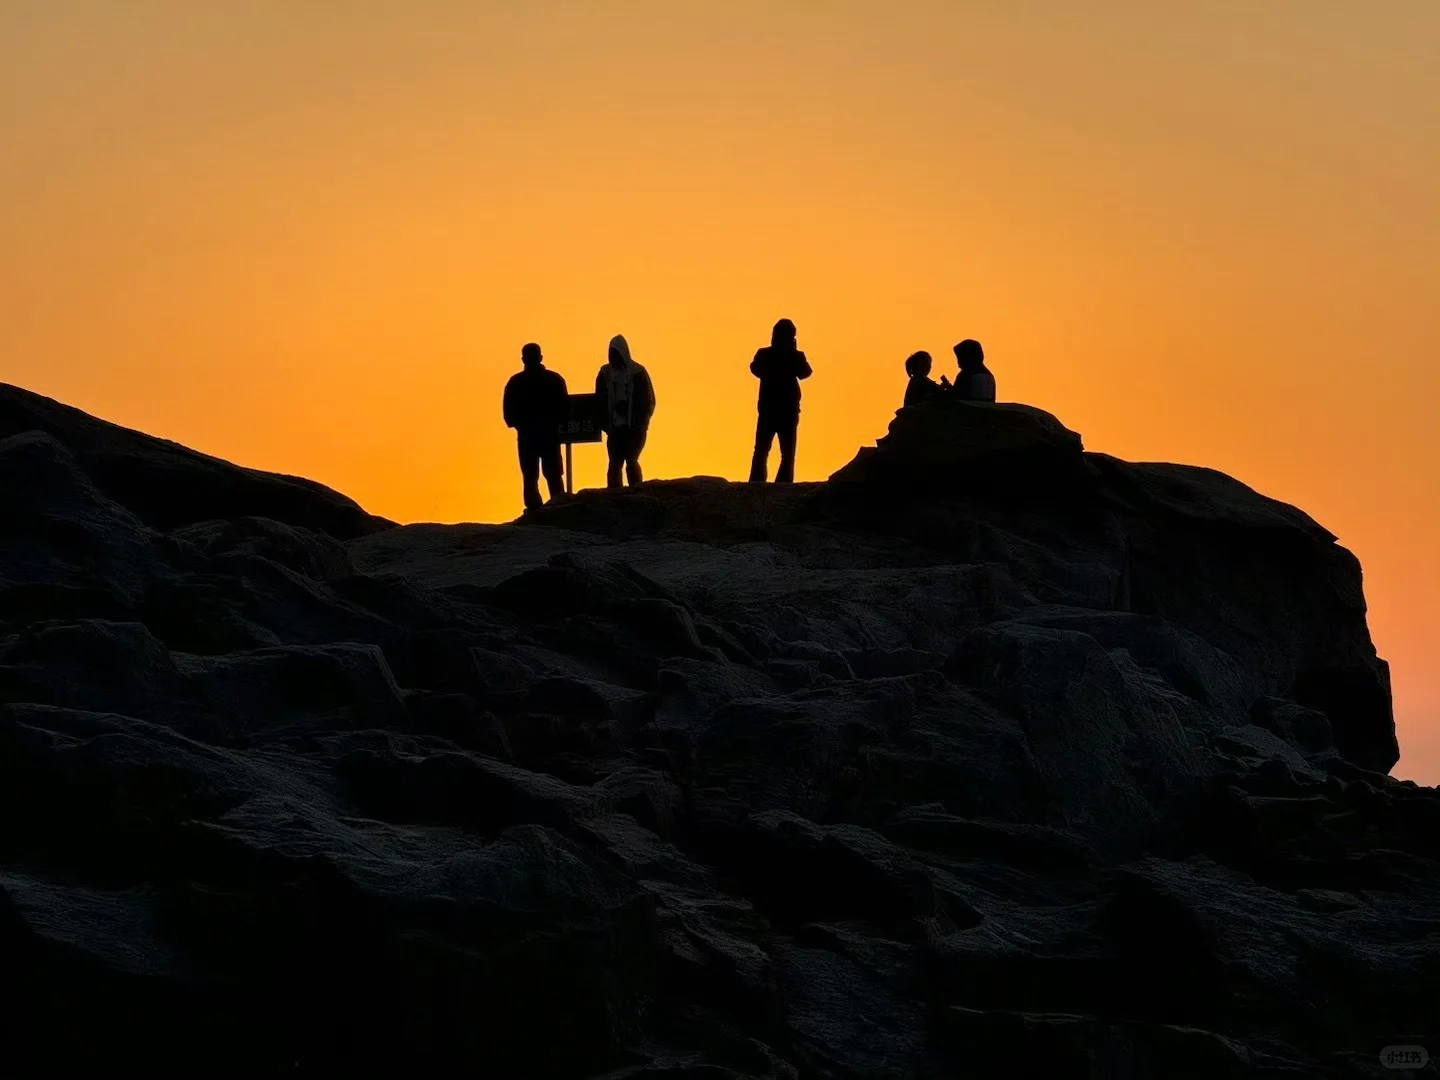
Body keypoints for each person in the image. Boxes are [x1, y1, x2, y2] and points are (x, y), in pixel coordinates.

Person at [502, 342, 568, 510]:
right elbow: (565, 409)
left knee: (538, 476)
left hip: (536, 436)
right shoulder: (553, 379)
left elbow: (509, 414)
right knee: (542, 476)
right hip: (541, 436)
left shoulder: (516, 382)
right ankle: (554, 508)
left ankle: (543, 509)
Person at [748, 318, 812, 483]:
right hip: (773, 409)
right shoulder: (765, 354)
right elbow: (755, 368)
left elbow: (806, 373)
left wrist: (793, 355)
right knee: (766, 450)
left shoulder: (791, 356)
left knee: (780, 452)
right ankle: (759, 483)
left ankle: (773, 484)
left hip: (784, 410)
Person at [595, 333, 656, 489]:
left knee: (631, 460)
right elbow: (599, 400)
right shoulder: (605, 373)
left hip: (633, 427)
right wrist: (605, 423)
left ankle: (637, 491)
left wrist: (639, 424)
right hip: (614, 427)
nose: (613, 357)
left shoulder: (637, 372)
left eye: (616, 353)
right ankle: (614, 495)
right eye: (611, 353)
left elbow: (647, 401)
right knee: (614, 464)